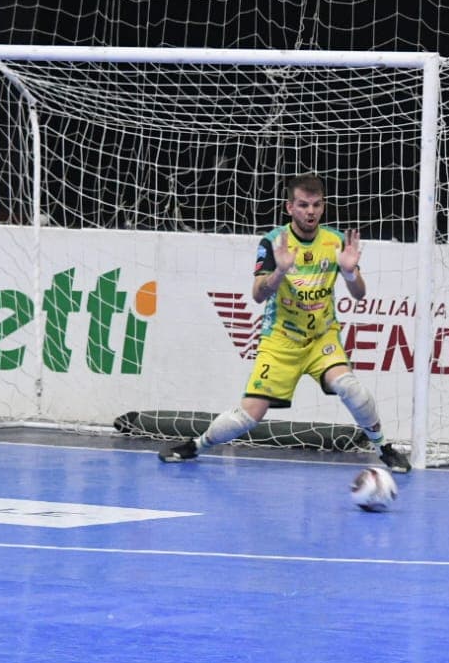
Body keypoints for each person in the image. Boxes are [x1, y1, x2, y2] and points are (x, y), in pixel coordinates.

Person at [158, 173, 410, 473]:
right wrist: (280, 271)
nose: (311, 212)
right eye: (303, 205)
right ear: (290, 207)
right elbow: (257, 294)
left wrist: (349, 272)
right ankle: (196, 446)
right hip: (280, 340)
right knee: (248, 416)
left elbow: (359, 294)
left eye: (316, 205)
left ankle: (383, 448)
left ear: (323, 206)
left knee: (350, 387)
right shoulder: (273, 242)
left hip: (321, 338)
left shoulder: (335, 241)